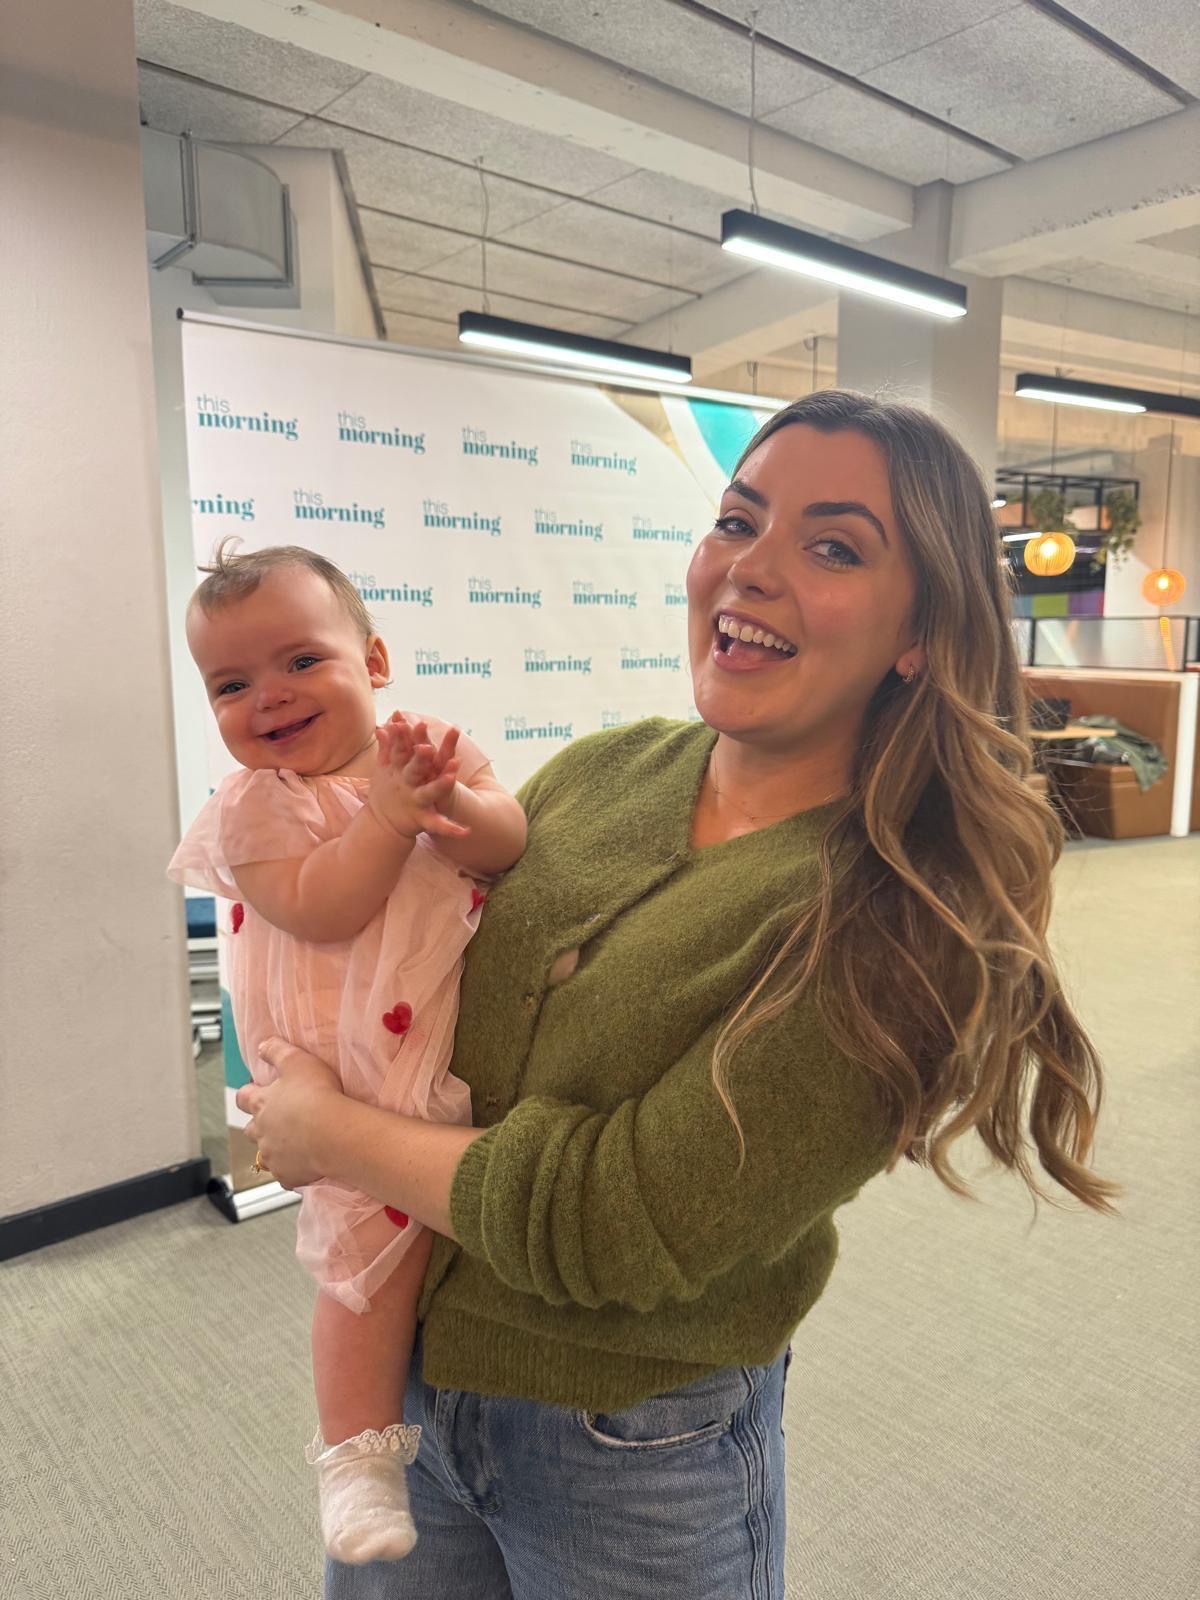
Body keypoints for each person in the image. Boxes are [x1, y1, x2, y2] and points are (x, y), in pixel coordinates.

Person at [237, 392, 1120, 1600]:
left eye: (833, 546)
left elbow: (616, 1219)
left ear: (920, 629)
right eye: (737, 521)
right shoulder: (606, 768)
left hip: (630, 1454)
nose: (750, 569)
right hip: (409, 1404)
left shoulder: (897, 920)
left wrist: (329, 1132)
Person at [169, 543, 526, 1564]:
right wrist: (385, 815)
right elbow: (323, 904)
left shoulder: (427, 749)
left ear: (373, 660)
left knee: (451, 1222)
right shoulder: (251, 807)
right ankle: (355, 1456)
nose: (268, 698)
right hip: (329, 1066)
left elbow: (507, 842)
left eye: (299, 662)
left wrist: (451, 808)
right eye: (232, 684)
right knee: (362, 1265)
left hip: (427, 1047)